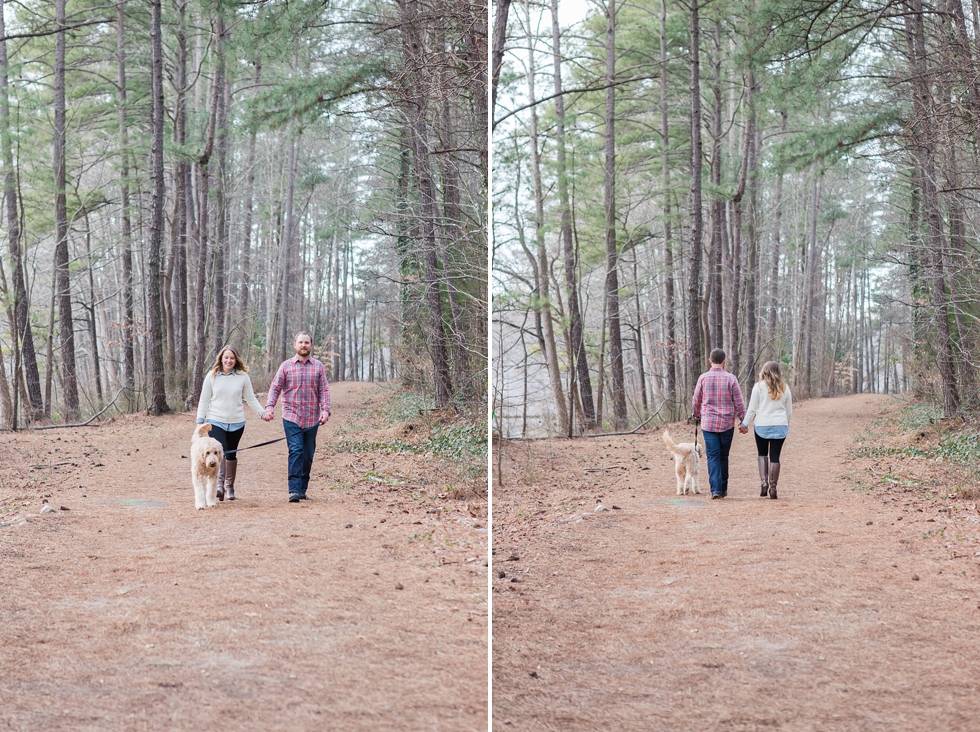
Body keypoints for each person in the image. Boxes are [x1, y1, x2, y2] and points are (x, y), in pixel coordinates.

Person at [262, 332, 331, 503]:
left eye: (307, 342)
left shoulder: (318, 367)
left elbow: (324, 390)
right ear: (295, 345)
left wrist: (325, 411)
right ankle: (293, 489)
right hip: (291, 416)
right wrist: (269, 407)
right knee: (296, 450)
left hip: (312, 418)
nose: (303, 345)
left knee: (307, 454)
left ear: (311, 345)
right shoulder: (286, 366)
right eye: (300, 342)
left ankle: (302, 488)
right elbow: (275, 388)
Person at [196, 346, 266, 501]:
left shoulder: (243, 377)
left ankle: (230, 487)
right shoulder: (212, 376)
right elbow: (204, 399)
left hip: (237, 422)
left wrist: (262, 413)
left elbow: (251, 398)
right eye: (226, 357)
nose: (229, 360)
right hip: (216, 421)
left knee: (231, 454)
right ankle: (219, 486)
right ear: (221, 358)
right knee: (219, 453)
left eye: (232, 358)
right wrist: (200, 419)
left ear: (236, 360)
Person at [692, 348, 746, 500]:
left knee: (713, 456)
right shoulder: (731, 379)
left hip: (708, 424)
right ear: (724, 361)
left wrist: (696, 414)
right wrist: (743, 420)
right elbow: (739, 402)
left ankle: (716, 489)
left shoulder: (703, 378)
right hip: (727, 423)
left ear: (710, 361)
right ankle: (723, 487)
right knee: (723, 456)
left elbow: (696, 399)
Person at [740, 361, 793, 500]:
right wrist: (785, 424)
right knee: (775, 456)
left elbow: (752, 409)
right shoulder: (785, 388)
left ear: (763, 371)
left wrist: (744, 424)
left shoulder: (758, 387)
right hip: (780, 425)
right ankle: (773, 488)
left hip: (762, 425)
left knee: (762, 453)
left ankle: (764, 483)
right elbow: (789, 411)